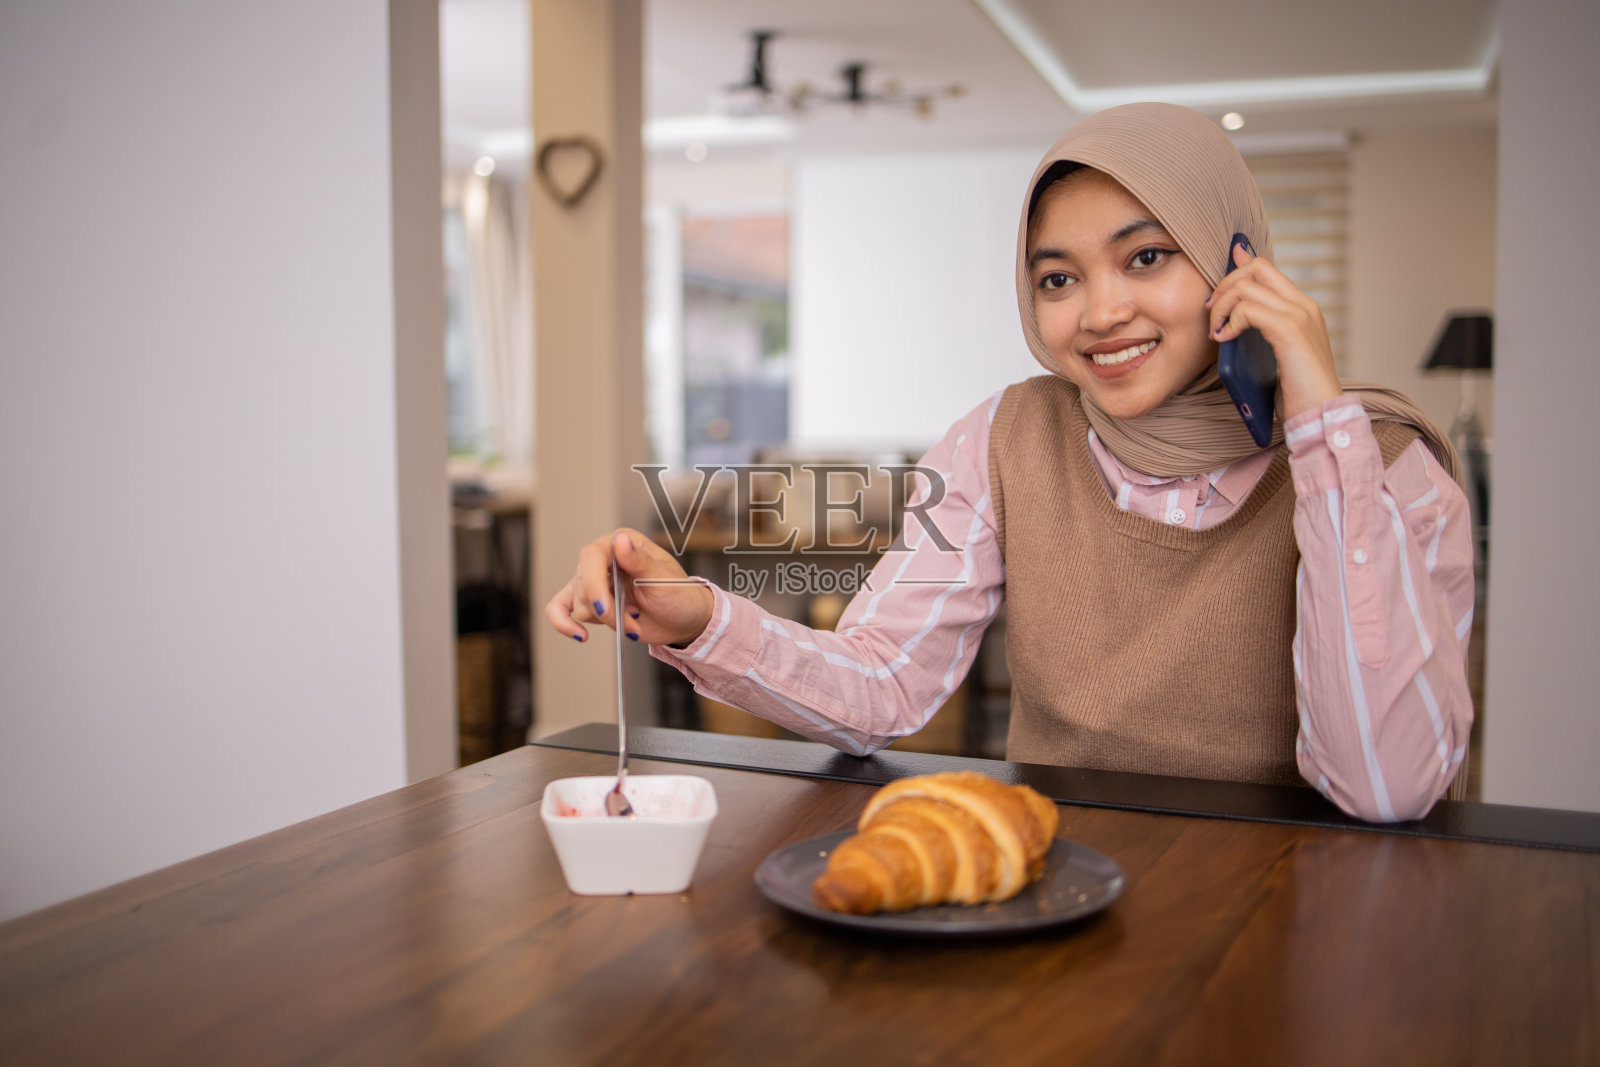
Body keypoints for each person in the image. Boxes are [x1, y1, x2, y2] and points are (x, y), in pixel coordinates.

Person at [545, 102, 1474, 823]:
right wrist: (698, 616)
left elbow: (1385, 789)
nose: (1099, 312)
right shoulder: (1005, 437)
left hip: (1293, 913)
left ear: (1240, 264)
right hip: (1057, 892)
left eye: (1146, 257)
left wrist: (1317, 424)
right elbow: (881, 683)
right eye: (1058, 278)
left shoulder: (1384, 463)